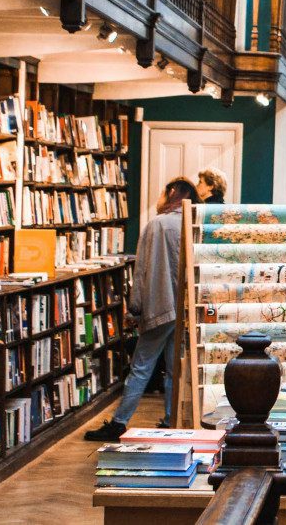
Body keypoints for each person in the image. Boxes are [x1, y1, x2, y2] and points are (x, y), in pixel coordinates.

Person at [85, 177, 198, 441]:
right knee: (174, 369)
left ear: (171, 193)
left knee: (141, 366)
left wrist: (135, 309)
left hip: (160, 307)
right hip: (183, 309)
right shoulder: (191, 223)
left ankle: (119, 422)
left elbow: (143, 270)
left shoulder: (156, 225)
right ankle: (171, 420)